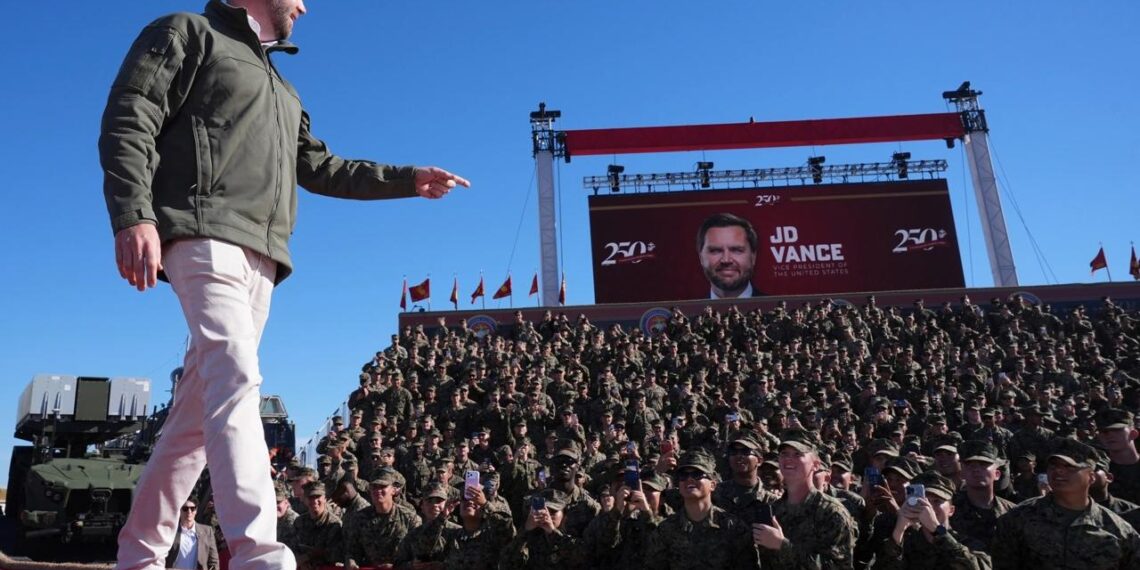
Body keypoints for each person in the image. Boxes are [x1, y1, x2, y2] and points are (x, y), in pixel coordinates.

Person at [100, 0, 468, 568]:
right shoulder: (188, 32)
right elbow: (131, 114)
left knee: (193, 421)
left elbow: (323, 166)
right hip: (202, 230)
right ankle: (259, 554)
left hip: (265, 260)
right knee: (236, 376)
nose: (304, 5)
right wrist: (133, 214)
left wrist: (407, 179)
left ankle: (139, 554)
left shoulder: (283, 89)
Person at [992, 438, 1140, 569]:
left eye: (1069, 467)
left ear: (1091, 477)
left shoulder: (1118, 531)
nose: (1058, 471)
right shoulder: (1018, 519)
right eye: (1053, 465)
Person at [753, 429, 857, 569]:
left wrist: (782, 546)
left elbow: (838, 566)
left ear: (816, 465)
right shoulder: (774, 509)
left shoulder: (831, 512)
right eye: (784, 454)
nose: (789, 459)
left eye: (798, 454)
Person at [644, 450, 759, 570]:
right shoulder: (666, 530)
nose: (689, 479)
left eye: (697, 474)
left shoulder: (733, 527)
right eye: (683, 475)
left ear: (713, 485)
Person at [875, 471, 991, 570]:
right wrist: (899, 531)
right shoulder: (905, 545)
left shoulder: (969, 544)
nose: (928, 507)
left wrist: (937, 530)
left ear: (951, 510)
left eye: (937, 501)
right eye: (923, 501)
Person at [950, 440, 1015, 553]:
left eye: (983, 464)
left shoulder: (1013, 512)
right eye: (970, 465)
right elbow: (936, 533)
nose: (976, 469)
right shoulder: (948, 509)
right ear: (962, 473)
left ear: (997, 474)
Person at [695, 213, 763, 299]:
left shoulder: (777, 307)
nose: (726, 260)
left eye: (736, 250)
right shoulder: (686, 308)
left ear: (753, 257)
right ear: (701, 257)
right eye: (715, 250)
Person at [165, 500, 220, 570]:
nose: (189, 511)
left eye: (192, 508)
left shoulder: (207, 531)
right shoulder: (170, 531)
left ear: (196, 511)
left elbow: (214, 562)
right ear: (180, 510)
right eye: (185, 509)